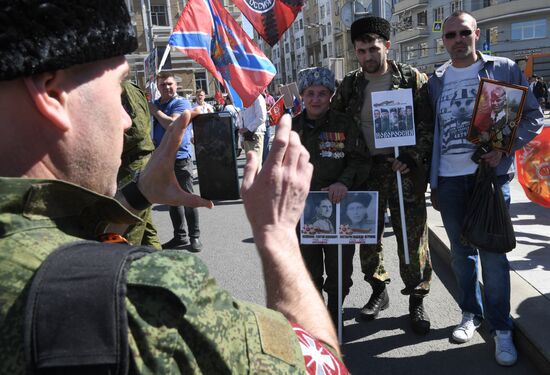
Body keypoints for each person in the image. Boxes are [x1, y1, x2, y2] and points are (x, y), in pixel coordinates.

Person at [0, 2, 348, 373]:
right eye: (119, 90)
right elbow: (322, 365)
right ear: (52, 95)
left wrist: (135, 196)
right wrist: (277, 234)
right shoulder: (141, 299)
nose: (124, 119)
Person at [427, 10, 544, 366]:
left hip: (488, 181)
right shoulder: (435, 80)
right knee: (462, 254)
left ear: (477, 33)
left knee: (493, 257)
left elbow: (533, 117)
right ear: (443, 40)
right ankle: (470, 314)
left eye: (464, 32)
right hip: (448, 181)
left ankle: (502, 328)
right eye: (450, 35)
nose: (458, 40)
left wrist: (503, 147)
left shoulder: (503, 68)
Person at [331, 16, 434, 334]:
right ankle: (378, 291)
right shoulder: (350, 84)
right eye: (361, 51)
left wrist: (412, 159)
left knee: (412, 237)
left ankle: (417, 299)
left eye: (373, 49)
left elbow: (427, 125)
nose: (367, 57)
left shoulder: (410, 78)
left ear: (387, 46)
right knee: (368, 238)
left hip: (403, 169)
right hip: (366, 171)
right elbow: (336, 125)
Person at [293, 66, 370, 325]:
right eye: (310, 93)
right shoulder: (291, 129)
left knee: (340, 271)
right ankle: (316, 318)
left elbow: (359, 160)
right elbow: (277, 167)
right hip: (302, 212)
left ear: (331, 95)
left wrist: (343, 182)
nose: (316, 99)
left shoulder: (344, 124)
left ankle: (335, 313)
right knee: (308, 270)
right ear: (302, 95)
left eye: (322, 93)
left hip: (339, 209)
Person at [149, 72, 202, 252]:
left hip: (180, 159)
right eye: (163, 85)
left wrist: (154, 111)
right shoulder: (155, 104)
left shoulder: (181, 103)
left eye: (170, 84)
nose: (167, 87)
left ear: (176, 85)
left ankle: (195, 237)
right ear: (157, 86)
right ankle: (180, 236)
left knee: (187, 198)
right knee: (171, 200)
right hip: (162, 159)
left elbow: (172, 125)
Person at [118, 80, 162, 249]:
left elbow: (138, 130)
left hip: (136, 162)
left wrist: (107, 140)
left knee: (131, 225)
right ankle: (160, 267)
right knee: (146, 228)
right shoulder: (120, 87)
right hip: (131, 163)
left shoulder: (126, 88)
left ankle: (128, 266)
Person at [239, 94, 267, 168]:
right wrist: (242, 138)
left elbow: (262, 117)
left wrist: (249, 128)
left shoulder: (257, 97)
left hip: (255, 134)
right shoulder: (244, 98)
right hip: (247, 135)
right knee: (250, 166)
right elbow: (242, 119)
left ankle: (258, 179)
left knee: (255, 165)